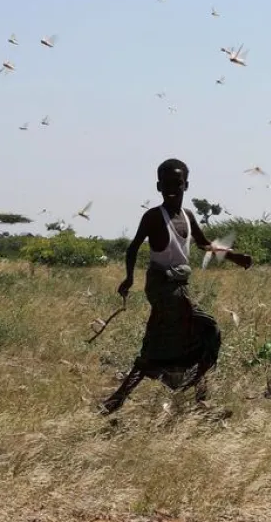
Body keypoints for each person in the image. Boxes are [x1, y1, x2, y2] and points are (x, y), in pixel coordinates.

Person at [101, 158, 253, 415]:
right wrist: (129, 278)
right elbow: (133, 247)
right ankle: (199, 398)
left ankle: (116, 401)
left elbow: (205, 244)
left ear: (186, 185)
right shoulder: (153, 217)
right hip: (162, 287)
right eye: (167, 184)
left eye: (178, 183)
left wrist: (233, 256)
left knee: (159, 343)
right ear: (158, 186)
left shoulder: (187, 216)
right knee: (208, 329)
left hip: (179, 286)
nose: (173, 188)